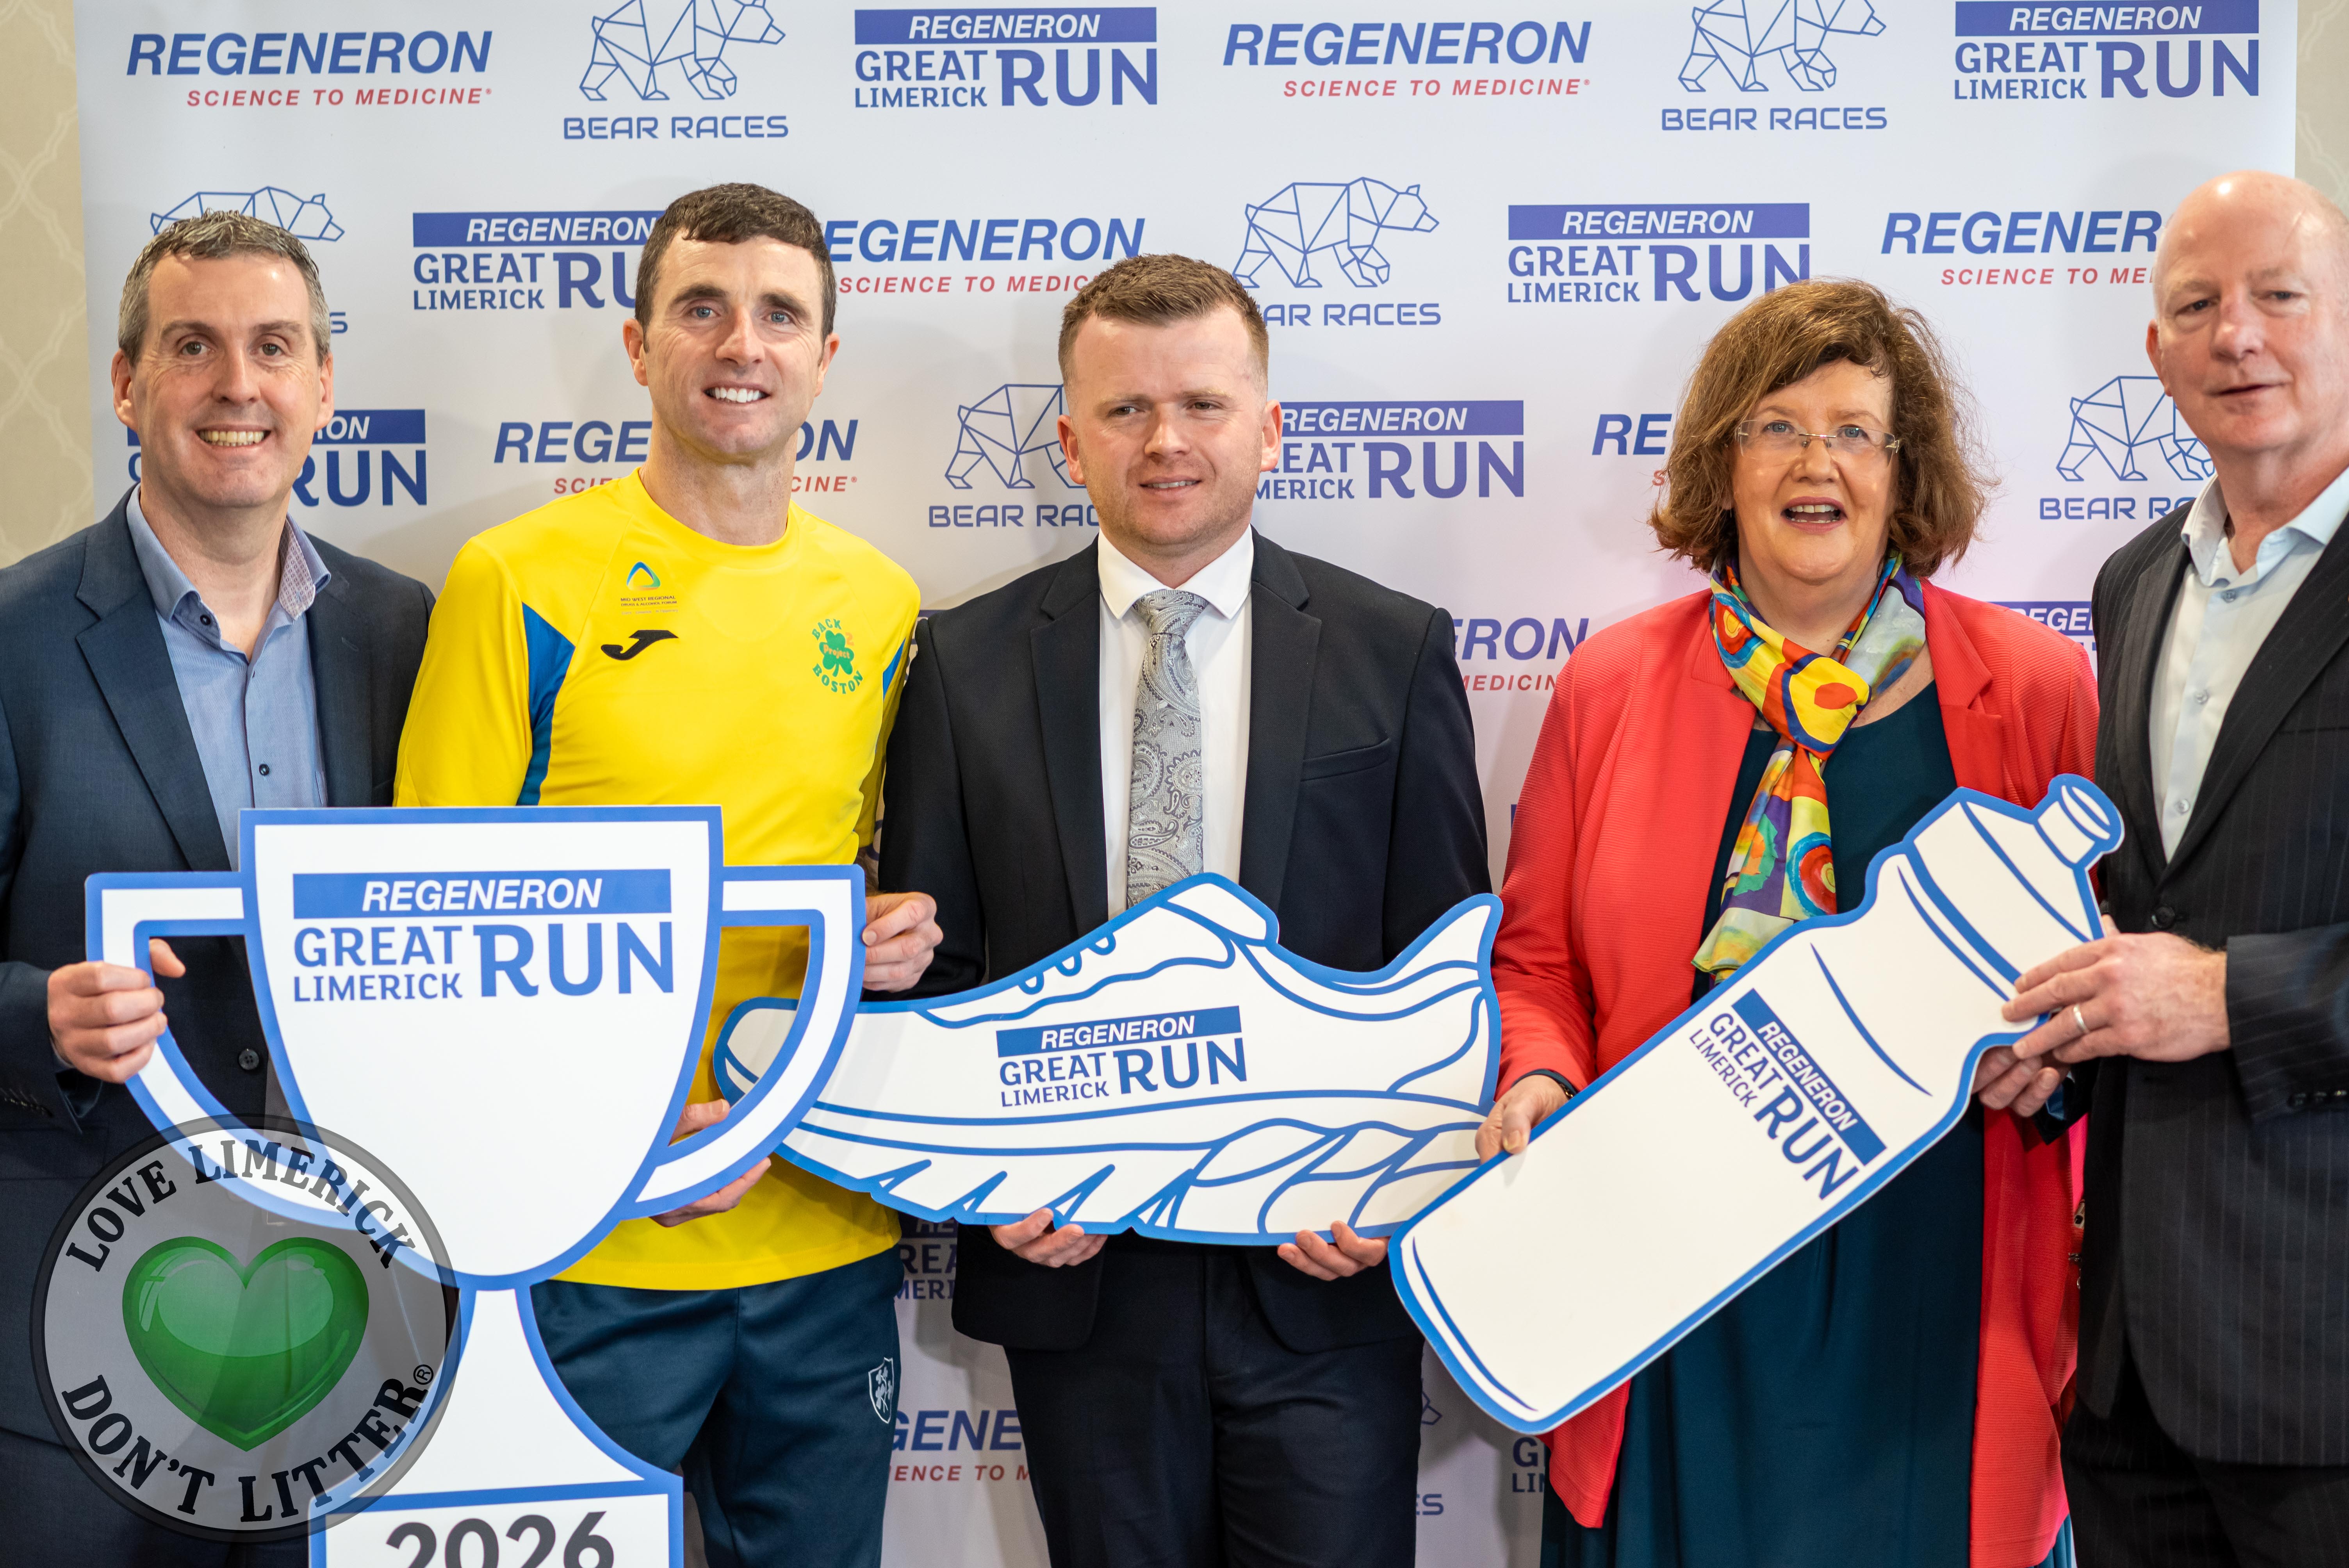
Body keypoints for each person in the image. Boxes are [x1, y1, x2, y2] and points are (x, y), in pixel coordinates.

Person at [877, 253, 1488, 1568]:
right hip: (1078, 1272)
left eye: (1204, 404)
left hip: (1323, 1264)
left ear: (1269, 429)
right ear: (1069, 442)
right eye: (1126, 409)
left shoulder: (1395, 649)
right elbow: (942, 973)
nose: (1166, 441)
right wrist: (990, 1178)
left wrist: (1394, 1178)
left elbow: (1445, 963)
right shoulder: (963, 662)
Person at [1487, 278, 2096, 1568]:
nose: (1817, 463)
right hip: (1665, 1264)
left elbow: (2111, 975)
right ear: (1724, 465)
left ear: (1904, 470)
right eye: (1776, 428)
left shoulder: (2037, 688)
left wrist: (2061, 1064)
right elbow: (1537, 962)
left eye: (1855, 432)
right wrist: (1538, 1074)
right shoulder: (1607, 686)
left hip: (1936, 1265)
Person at [393, 183, 941, 1568]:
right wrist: (603, 1140)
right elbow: (434, 936)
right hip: (588, 1239)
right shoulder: (516, 579)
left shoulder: (880, 602)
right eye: (702, 308)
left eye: (779, 315)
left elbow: (861, 864)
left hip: (824, 1235)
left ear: (825, 355)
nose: (741, 344)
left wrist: (887, 932)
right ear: (639, 346)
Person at [0, 211, 434, 1563]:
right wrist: (36, 1015)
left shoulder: (412, 635)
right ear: (127, 384)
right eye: (193, 347)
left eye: (274, 347)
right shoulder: (12, 640)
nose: (238, 385)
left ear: (322, 386)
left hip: (364, 1319)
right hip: (78, 1323)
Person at [1997, 170, 2349, 1566]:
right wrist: (2055, 1047)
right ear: (2156, 351)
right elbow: (2153, 908)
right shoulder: (2134, 584)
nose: (2237, 335)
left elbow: (2199, 973)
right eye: (2197, 306)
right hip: (2136, 1370)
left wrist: (2224, 998)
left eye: (2280, 296)